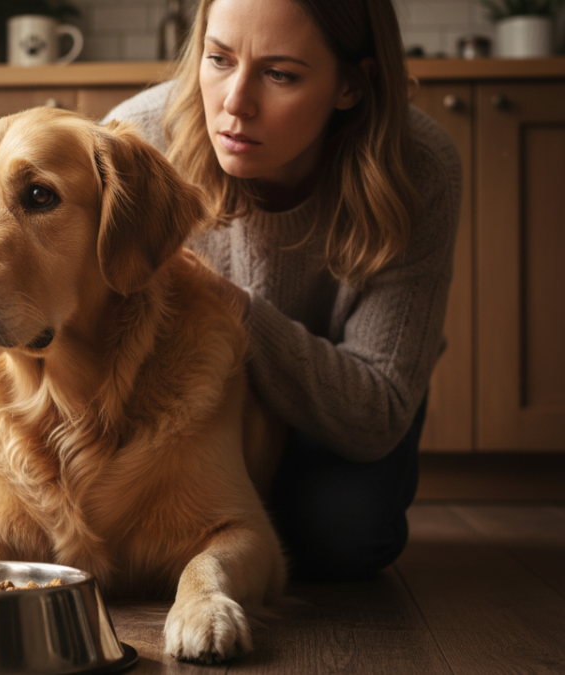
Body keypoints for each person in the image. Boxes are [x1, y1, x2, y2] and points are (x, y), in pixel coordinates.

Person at [104, 0, 462, 581]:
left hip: (338, 408)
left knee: (343, 536)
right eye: (218, 59)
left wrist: (228, 306)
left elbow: (377, 411)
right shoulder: (138, 142)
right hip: (186, 405)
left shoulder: (419, 167)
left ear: (351, 85)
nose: (235, 103)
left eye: (279, 75)